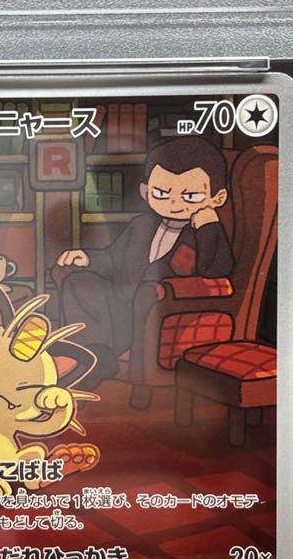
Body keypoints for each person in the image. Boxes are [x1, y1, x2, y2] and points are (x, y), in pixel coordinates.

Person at [56, 137, 234, 382]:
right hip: (119, 309)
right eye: (161, 193)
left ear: (217, 198)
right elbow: (113, 258)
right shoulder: (141, 225)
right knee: (78, 281)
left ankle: (98, 359)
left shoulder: (205, 235)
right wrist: (86, 258)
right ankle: (96, 356)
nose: (174, 203)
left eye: (191, 196)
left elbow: (216, 271)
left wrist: (208, 226)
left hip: (159, 315)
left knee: (139, 302)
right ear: (145, 191)